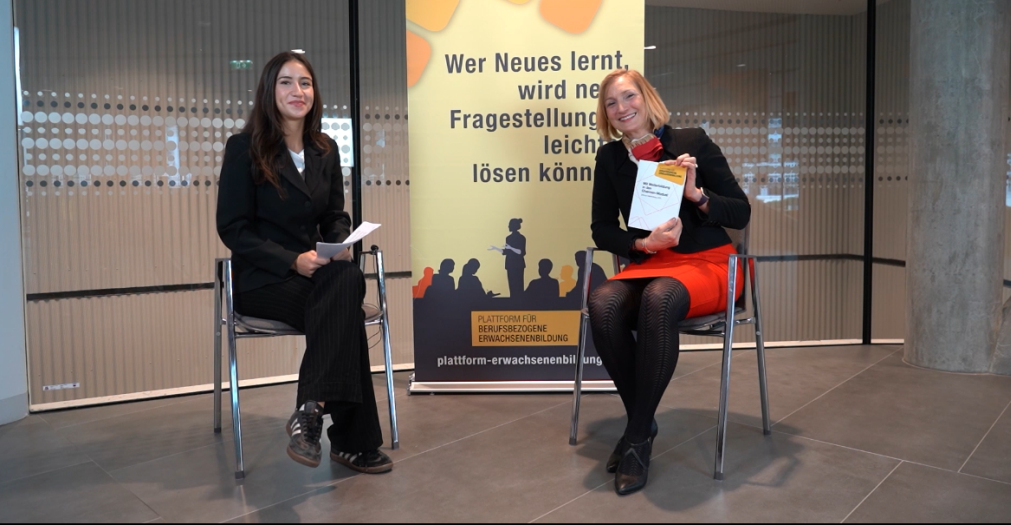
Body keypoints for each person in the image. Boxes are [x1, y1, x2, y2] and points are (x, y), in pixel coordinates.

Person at [216, 51, 392, 474]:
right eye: (286, 82)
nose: (298, 91)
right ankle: (351, 442)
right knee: (344, 307)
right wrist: (291, 260)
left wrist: (338, 241)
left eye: (305, 83)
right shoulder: (244, 148)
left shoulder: (324, 149)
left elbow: (334, 213)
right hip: (263, 280)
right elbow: (233, 228)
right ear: (269, 91)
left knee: (344, 279)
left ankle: (310, 413)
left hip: (317, 274)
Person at [588, 69, 749, 495]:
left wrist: (697, 195)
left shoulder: (693, 141)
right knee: (602, 303)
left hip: (709, 262)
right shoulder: (609, 158)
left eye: (629, 96)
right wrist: (642, 243)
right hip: (651, 261)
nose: (622, 108)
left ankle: (636, 439)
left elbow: (741, 212)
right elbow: (602, 228)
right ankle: (643, 422)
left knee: (659, 299)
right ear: (606, 113)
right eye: (611, 103)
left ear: (646, 97)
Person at [489, 218, 526, 297]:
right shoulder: (515, 238)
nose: (508, 226)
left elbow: (521, 252)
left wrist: (510, 249)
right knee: (515, 285)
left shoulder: (516, 238)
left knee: (515, 285)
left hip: (514, 264)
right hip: (515, 264)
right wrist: (496, 248)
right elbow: (507, 252)